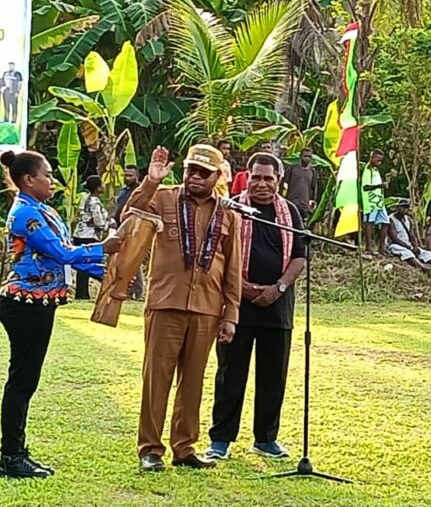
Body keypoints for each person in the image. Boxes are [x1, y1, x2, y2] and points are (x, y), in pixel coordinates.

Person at [0, 150, 120, 479]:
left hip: (38, 304)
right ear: (28, 179)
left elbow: (65, 257)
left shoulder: (44, 210)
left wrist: (105, 273)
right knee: (22, 382)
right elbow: (61, 252)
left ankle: (16, 453)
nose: (53, 180)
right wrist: (103, 248)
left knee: (26, 381)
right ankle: (11, 457)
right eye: (47, 175)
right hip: (25, 304)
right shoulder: (26, 214)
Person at [127, 145, 242, 472]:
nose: (195, 177)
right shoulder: (163, 198)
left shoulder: (229, 214)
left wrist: (230, 315)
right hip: (166, 303)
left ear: (217, 177)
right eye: (191, 170)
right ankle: (150, 449)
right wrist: (151, 180)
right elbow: (131, 215)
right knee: (156, 379)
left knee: (193, 382)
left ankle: (184, 447)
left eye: (204, 173)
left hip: (207, 307)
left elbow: (233, 269)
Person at [208, 153, 307, 460]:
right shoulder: (231, 209)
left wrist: (278, 288)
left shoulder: (290, 212)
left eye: (269, 178)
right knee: (230, 375)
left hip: (278, 307)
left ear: (279, 181)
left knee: (273, 377)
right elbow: (218, 255)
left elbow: (300, 256)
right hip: (236, 306)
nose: (262, 184)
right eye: (257, 177)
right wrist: (247, 289)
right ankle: (220, 440)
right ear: (247, 178)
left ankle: (266, 439)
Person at [72, 175, 109, 301]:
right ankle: (83, 293)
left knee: (81, 264)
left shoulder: (85, 198)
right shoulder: (95, 202)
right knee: (89, 264)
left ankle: (81, 293)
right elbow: (98, 221)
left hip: (79, 234)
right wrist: (108, 225)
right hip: (89, 235)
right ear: (98, 188)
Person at [112, 165, 144, 300]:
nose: (127, 178)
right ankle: (127, 290)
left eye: (130, 175)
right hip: (121, 228)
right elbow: (117, 208)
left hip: (135, 228)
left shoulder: (141, 190)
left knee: (134, 259)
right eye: (125, 175)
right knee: (123, 259)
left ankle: (138, 291)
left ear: (137, 176)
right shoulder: (122, 191)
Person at [388, 200, 431, 271]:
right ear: (397, 207)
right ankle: (423, 267)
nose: (404, 209)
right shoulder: (391, 219)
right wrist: (409, 247)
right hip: (396, 245)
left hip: (408, 244)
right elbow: (394, 238)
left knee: (427, 253)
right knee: (407, 253)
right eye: (402, 207)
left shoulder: (408, 219)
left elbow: (412, 235)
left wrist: (415, 246)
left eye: (406, 207)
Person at [361, 150, 390, 254]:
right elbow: (365, 187)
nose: (379, 163)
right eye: (378, 160)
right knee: (370, 222)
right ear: (372, 158)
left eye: (381, 161)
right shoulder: (367, 170)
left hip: (379, 201)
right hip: (371, 201)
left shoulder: (376, 170)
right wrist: (380, 186)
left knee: (385, 222)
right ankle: (368, 247)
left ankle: (381, 247)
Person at [282, 147, 318, 220]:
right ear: (300, 156)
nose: (307, 158)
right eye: (305, 156)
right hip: (291, 203)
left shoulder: (312, 171)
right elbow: (284, 184)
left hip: (304, 206)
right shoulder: (292, 168)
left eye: (309, 156)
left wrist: (313, 201)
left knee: (302, 223)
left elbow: (314, 187)